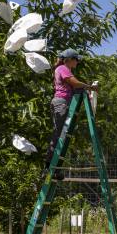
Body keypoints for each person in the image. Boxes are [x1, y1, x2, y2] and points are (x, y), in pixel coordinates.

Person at [46, 49, 98, 179]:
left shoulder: (64, 69)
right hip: (61, 103)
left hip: (63, 103)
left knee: (62, 136)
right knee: (58, 135)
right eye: (76, 59)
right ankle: (48, 167)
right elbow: (74, 83)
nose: (78, 61)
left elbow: (75, 86)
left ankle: (55, 169)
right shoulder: (63, 68)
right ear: (69, 59)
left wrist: (85, 90)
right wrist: (89, 87)